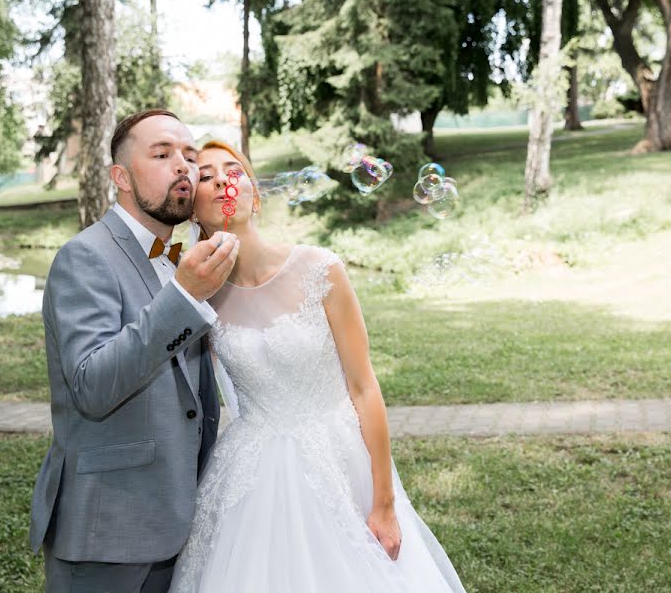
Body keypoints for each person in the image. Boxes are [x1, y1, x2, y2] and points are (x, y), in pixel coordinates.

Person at [168, 140, 466, 592]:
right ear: (194, 211)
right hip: (252, 479)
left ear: (255, 193)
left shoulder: (320, 269)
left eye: (235, 170)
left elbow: (365, 387)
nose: (224, 180)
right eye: (206, 177)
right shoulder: (199, 294)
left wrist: (383, 502)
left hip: (339, 461)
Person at [28, 109, 239, 592]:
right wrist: (184, 298)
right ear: (120, 177)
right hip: (108, 525)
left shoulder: (179, 257)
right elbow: (92, 385)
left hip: (177, 517)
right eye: (162, 154)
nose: (183, 166)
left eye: (190, 155)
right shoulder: (85, 256)